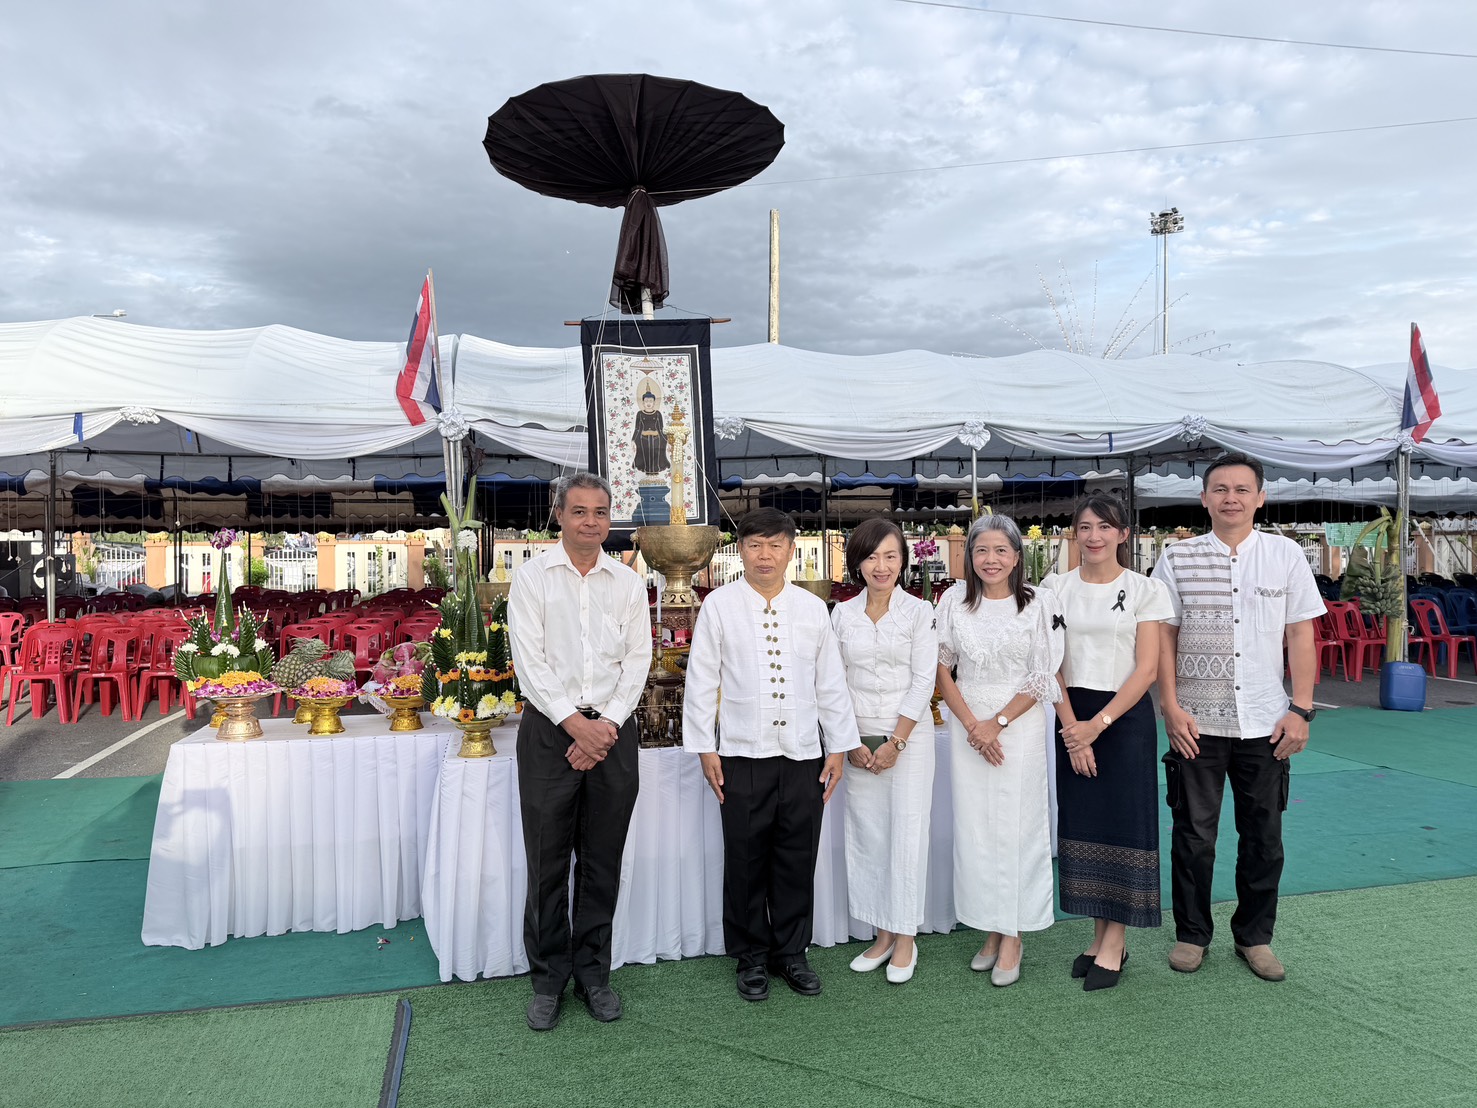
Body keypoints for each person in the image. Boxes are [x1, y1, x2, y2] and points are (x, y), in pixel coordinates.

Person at [1151, 452, 1325, 982]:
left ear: (1260, 497)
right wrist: (1170, 705)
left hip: (1267, 722)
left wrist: (1301, 709)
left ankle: (1255, 937)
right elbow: (1163, 634)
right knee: (1193, 836)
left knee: (1264, 837)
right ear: (1204, 498)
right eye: (1220, 489)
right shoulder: (1176, 558)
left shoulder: (1286, 555)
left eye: (1241, 489)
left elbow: (1300, 634)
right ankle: (1191, 935)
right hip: (1196, 724)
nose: (1231, 497)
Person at [683, 507, 860, 1002]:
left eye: (775, 545)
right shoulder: (719, 605)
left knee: (796, 856)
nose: (765, 555)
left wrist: (838, 747)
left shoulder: (811, 609)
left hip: (804, 753)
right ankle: (751, 956)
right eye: (755, 545)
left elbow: (830, 683)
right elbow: (702, 681)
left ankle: (791, 952)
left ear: (790, 550)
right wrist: (704, 747)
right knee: (744, 857)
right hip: (741, 752)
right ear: (739, 550)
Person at [506, 472, 652, 1030]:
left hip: (612, 734)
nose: (590, 522)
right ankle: (548, 980)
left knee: (601, 860)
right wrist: (574, 725)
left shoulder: (627, 582)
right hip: (549, 731)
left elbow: (638, 659)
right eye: (580, 512)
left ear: (609, 518)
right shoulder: (532, 578)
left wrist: (605, 726)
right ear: (559, 515)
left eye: (599, 512)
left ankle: (594, 974)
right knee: (546, 861)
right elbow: (530, 662)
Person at [1043, 495, 1173, 991]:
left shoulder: (1146, 590)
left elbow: (1147, 668)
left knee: (1123, 825)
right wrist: (1074, 730)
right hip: (1068, 713)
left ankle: (1115, 941)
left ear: (1123, 533)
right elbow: (1050, 662)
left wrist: (1097, 726)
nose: (1094, 536)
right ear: (1074, 533)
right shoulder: (1055, 587)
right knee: (1084, 823)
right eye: (1085, 527)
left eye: (1105, 526)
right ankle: (1096, 937)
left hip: (1123, 719)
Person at [935, 514, 1063, 987]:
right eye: (982, 551)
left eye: (1001, 551)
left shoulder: (1039, 603)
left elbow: (1043, 673)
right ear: (970, 556)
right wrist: (973, 725)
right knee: (977, 831)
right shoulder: (952, 600)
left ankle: (1014, 934)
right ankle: (990, 927)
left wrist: (998, 723)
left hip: (1020, 728)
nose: (991, 560)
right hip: (968, 728)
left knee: (1017, 829)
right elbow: (942, 668)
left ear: (1017, 557)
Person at [831, 518, 938, 985]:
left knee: (906, 835)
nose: (881, 565)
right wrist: (849, 741)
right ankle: (881, 933)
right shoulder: (841, 615)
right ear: (857, 561)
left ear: (903, 561)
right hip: (857, 742)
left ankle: (906, 938)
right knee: (869, 835)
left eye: (891, 556)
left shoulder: (919, 613)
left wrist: (897, 741)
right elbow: (832, 682)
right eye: (872, 556)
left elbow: (924, 679)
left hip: (907, 739)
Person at [631, 380, 669, 474]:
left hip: (656, 438)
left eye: (651, 401)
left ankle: (656, 470)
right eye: (646, 401)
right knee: (645, 455)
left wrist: (667, 441)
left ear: (654, 402)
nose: (648, 403)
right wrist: (633, 440)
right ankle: (646, 470)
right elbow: (637, 428)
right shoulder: (640, 414)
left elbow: (660, 428)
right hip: (643, 439)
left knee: (657, 454)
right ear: (643, 402)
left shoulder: (657, 414)